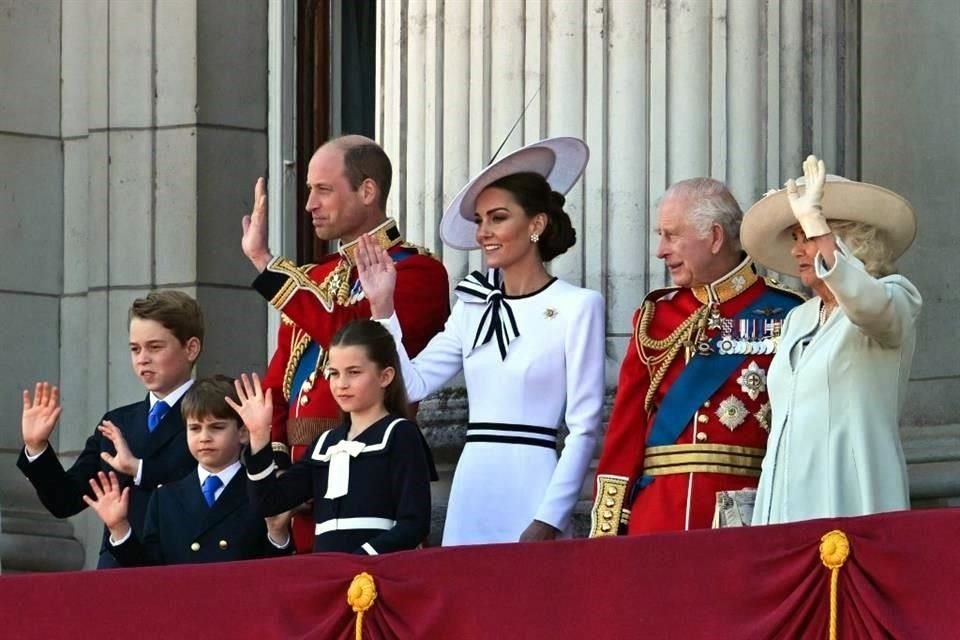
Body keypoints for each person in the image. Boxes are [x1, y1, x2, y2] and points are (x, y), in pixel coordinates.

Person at [357, 137, 606, 545]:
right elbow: (413, 383)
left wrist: (550, 516)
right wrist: (383, 308)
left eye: (498, 218)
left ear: (536, 225)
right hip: (473, 484)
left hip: (535, 483)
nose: (484, 232)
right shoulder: (473, 304)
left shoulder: (578, 306)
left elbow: (584, 427)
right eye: (479, 220)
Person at [241, 134, 449, 553]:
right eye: (309, 191)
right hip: (302, 482)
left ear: (367, 190)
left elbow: (349, 334)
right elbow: (279, 384)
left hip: (372, 480)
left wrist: (268, 265)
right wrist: (282, 468)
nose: (309, 205)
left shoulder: (418, 272)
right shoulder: (313, 281)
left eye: (323, 190)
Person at [590, 178, 803, 536]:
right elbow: (624, 431)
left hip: (749, 518)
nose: (660, 250)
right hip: (657, 520)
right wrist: (608, 530)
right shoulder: (656, 317)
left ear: (715, 237)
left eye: (671, 235)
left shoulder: (788, 314)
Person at [742, 155, 921, 525]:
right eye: (796, 238)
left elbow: (870, 307)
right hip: (784, 505)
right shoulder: (798, 318)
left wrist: (817, 226)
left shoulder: (895, 298)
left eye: (805, 237)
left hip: (850, 499)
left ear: (847, 241)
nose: (796, 251)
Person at [17, 290, 203, 568]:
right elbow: (65, 501)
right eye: (135, 349)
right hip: (117, 573)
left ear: (190, 349)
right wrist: (37, 448)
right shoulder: (118, 422)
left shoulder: (212, 415)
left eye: (155, 347)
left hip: (181, 570)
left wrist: (139, 469)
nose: (142, 359)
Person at [240, 320, 434, 555]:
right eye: (333, 373)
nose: (341, 384)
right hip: (328, 574)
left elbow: (414, 522)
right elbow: (268, 502)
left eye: (354, 372)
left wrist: (362, 558)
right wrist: (259, 437)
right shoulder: (325, 444)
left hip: (379, 574)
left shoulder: (400, 434)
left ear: (385, 376)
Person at [82, 376, 292, 566]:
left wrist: (278, 533)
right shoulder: (164, 498)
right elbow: (148, 572)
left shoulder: (260, 493)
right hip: (181, 606)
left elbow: (274, 572)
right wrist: (119, 528)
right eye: (194, 428)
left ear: (243, 434)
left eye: (217, 427)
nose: (204, 437)